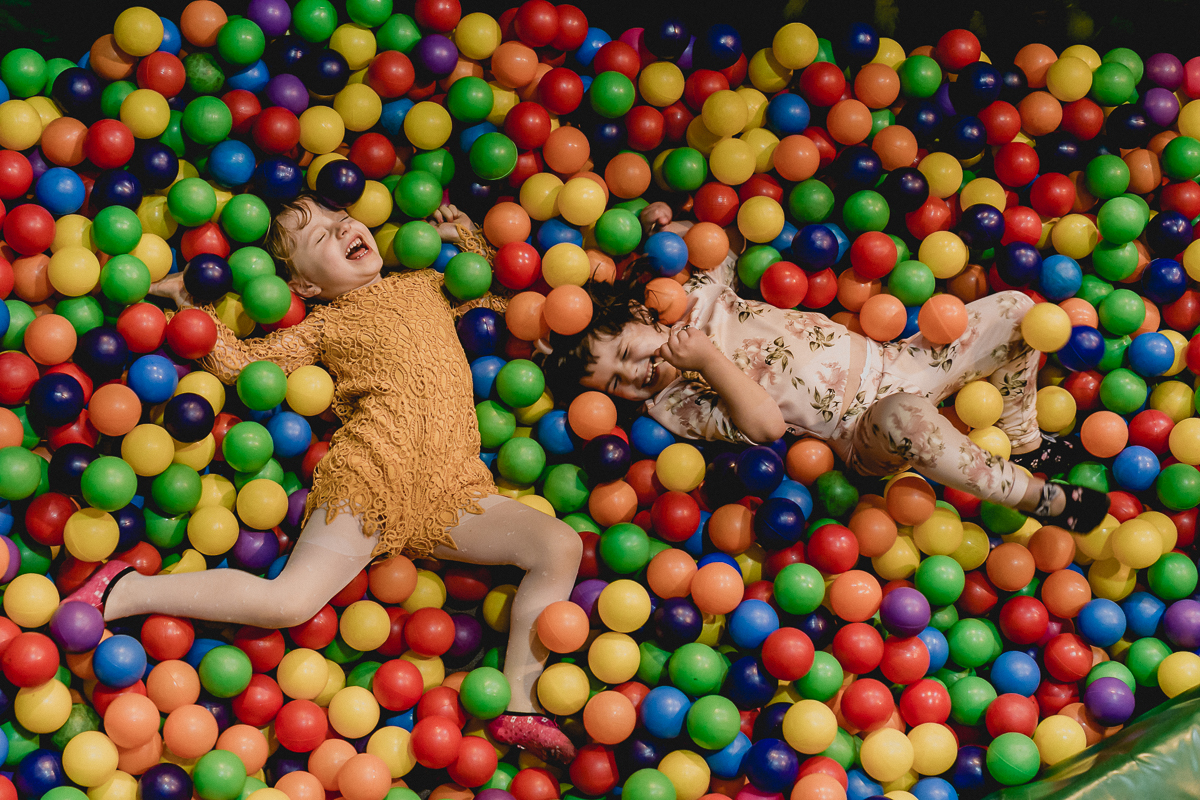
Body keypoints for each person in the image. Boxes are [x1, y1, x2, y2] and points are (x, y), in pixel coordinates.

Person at [67, 196, 582, 764]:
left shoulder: (428, 284)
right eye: (321, 238)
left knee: (559, 545)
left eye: (341, 222)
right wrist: (196, 311)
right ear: (305, 287)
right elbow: (247, 367)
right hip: (372, 476)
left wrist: (466, 237)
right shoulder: (324, 325)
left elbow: (499, 299)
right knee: (290, 601)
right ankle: (123, 590)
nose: (342, 231)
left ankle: (521, 705)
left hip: (456, 491)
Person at [540, 202, 1110, 534]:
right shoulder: (674, 404)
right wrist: (707, 361)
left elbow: (731, 240)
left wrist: (665, 226)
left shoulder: (696, 298)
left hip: (901, 359)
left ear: (640, 314)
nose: (633, 373)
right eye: (614, 383)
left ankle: (1023, 439)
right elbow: (764, 427)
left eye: (627, 352)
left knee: (1017, 311)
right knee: (905, 416)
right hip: (862, 429)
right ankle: (1037, 498)